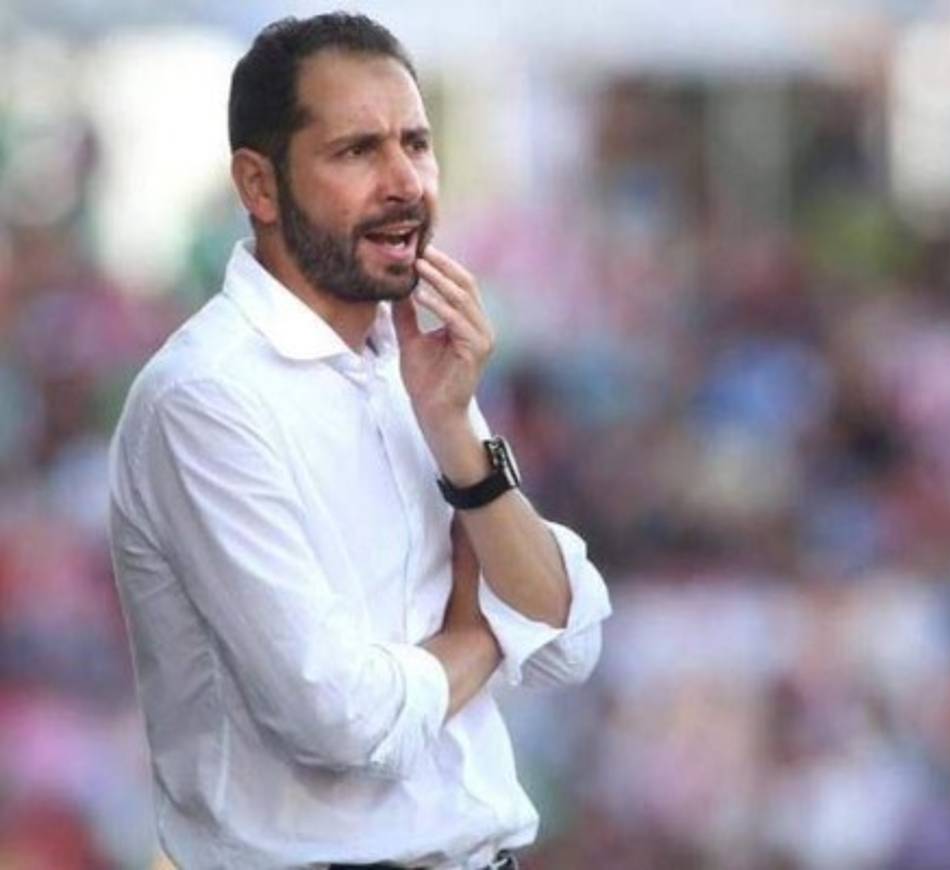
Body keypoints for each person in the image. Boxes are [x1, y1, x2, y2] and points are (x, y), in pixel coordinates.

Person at [107, 12, 611, 870]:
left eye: (416, 143)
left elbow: (568, 639)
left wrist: (454, 430)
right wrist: (486, 629)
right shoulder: (205, 398)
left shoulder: (410, 362)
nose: (404, 183)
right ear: (259, 186)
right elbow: (343, 721)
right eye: (357, 152)